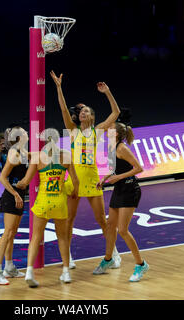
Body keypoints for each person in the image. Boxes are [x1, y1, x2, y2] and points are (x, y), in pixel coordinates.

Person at [50, 70, 122, 269]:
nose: (84, 113)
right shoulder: (72, 131)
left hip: (91, 179)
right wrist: (58, 87)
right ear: (79, 116)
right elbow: (63, 109)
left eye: (88, 112)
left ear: (92, 117)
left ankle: (113, 253)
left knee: (101, 220)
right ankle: (69, 257)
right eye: (82, 112)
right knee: (69, 219)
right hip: (73, 179)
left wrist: (107, 92)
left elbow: (116, 113)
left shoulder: (97, 131)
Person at [15, 129, 79, 288]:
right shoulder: (65, 157)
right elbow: (75, 181)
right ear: (57, 140)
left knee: (36, 237)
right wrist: (73, 193)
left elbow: (26, 181)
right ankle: (65, 272)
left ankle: (29, 271)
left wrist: (17, 184)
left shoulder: (38, 158)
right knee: (62, 238)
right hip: (59, 201)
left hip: (43, 201)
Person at [93, 122, 149, 281]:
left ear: (116, 134)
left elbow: (138, 168)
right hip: (119, 189)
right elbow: (114, 168)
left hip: (130, 190)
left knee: (123, 230)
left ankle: (141, 264)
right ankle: (108, 260)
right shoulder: (110, 147)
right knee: (110, 225)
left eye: (110, 129)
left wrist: (118, 177)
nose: (106, 130)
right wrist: (105, 178)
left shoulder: (122, 148)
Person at [0, 127, 29, 285]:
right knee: (7, 233)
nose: (27, 133)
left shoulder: (23, 152)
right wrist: (15, 194)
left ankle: (9, 267)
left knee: (12, 233)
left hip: (19, 196)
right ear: (20, 138)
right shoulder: (14, 153)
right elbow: (2, 178)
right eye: (24, 133)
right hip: (11, 197)